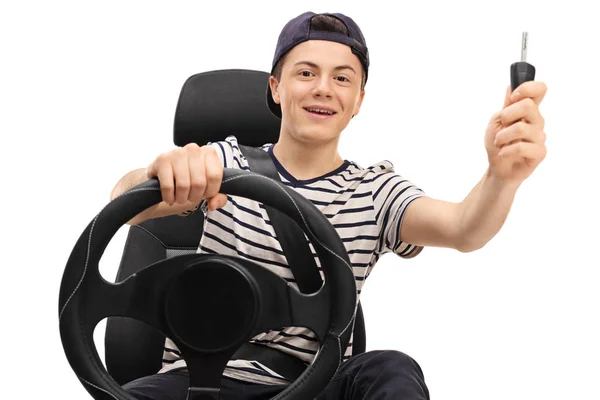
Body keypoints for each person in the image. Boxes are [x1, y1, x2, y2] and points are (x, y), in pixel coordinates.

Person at [110, 11, 547, 400]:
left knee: (392, 367)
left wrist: (501, 176)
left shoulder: (375, 190)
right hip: (205, 378)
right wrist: (161, 175)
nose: (323, 89)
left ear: (358, 100)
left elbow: (464, 228)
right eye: (305, 73)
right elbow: (123, 204)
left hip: (318, 385)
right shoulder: (222, 163)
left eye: (342, 78)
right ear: (276, 88)